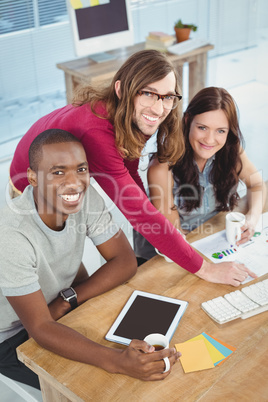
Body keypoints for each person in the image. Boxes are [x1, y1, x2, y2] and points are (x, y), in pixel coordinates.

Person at [9, 49, 254, 286]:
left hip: (64, 172)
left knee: (72, 278)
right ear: (121, 89)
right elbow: (137, 211)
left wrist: (164, 228)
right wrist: (208, 269)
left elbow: (131, 177)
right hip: (33, 186)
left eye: (168, 96)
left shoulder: (132, 115)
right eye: (148, 93)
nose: (159, 109)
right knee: (56, 283)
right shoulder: (97, 132)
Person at [0, 129, 181, 388]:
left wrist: (68, 298)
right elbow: (39, 328)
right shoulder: (10, 233)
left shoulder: (83, 198)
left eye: (81, 169)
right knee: (103, 386)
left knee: (149, 355)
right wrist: (118, 361)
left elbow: (125, 261)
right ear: (33, 177)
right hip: (14, 337)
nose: (74, 182)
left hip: (61, 305)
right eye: (58, 172)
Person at [134, 87, 266, 263]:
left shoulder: (231, 151)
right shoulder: (162, 165)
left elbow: (257, 185)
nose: (210, 140)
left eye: (221, 131)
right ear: (188, 120)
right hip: (161, 255)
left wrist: (252, 219)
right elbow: (176, 235)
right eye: (202, 128)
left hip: (208, 238)